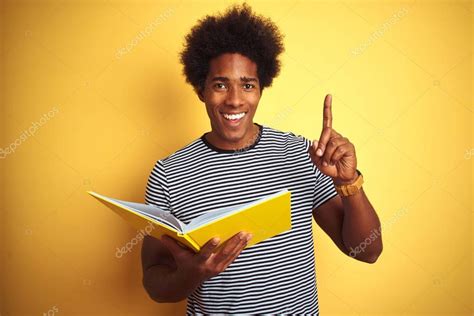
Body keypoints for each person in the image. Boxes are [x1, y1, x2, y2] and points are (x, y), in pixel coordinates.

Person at [141, 3, 382, 314]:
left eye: (247, 85)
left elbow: (367, 251)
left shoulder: (301, 154)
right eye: (219, 84)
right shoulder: (167, 173)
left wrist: (349, 182)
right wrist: (193, 273)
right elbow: (153, 282)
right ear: (201, 89)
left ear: (261, 89)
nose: (235, 99)